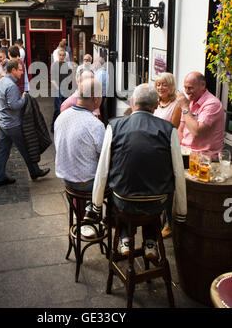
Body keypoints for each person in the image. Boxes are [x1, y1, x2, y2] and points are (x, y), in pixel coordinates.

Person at [86, 83, 187, 258]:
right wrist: (181, 213)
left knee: (118, 194)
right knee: (150, 197)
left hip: (124, 201)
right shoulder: (169, 129)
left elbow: (102, 169)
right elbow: (179, 172)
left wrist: (96, 205)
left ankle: (125, 238)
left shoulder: (114, 126)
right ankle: (150, 241)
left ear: (132, 102)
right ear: (156, 105)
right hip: (157, 203)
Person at [54, 77, 104, 236]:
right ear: (96, 99)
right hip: (85, 184)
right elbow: (105, 157)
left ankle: (84, 214)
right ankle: (105, 217)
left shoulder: (61, 116)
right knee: (118, 178)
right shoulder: (95, 124)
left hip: (66, 179)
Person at [0, 60, 50, 186]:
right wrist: (24, 98)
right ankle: (35, 171)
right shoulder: (11, 86)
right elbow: (14, 105)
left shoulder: (1, 81)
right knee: (26, 148)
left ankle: (0, 177)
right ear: (13, 70)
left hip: (3, 123)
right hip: (13, 124)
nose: (22, 72)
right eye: (20, 69)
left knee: (3, 151)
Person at [154, 72, 182, 238]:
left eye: (164, 84)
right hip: (155, 149)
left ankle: (169, 224)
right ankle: (157, 217)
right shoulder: (155, 103)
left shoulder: (176, 105)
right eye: (158, 84)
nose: (160, 88)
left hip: (167, 149)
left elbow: (172, 129)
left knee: (167, 186)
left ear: (171, 87)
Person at [177, 72, 225, 160]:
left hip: (205, 159)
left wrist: (185, 107)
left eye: (190, 88)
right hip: (186, 153)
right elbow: (181, 129)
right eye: (185, 88)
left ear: (203, 85)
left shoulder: (212, 104)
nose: (187, 92)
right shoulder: (190, 102)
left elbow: (196, 132)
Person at [50, 49, 72, 132]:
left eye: (63, 55)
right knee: (57, 109)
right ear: (58, 55)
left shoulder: (66, 65)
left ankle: (63, 127)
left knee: (65, 109)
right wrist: (58, 88)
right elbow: (52, 80)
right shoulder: (54, 65)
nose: (62, 57)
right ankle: (53, 127)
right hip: (57, 89)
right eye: (60, 55)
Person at [94, 56, 109, 125]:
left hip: (100, 97)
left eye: (94, 62)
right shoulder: (100, 72)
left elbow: (97, 88)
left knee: (100, 116)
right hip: (101, 97)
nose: (93, 64)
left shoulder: (101, 73)